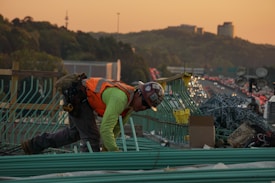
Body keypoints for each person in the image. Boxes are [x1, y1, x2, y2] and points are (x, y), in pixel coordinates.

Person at [21, 73, 165, 154]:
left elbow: (115, 130)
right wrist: (115, 153)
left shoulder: (129, 106)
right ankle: (87, 170)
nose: (144, 108)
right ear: (139, 93)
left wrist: (107, 150)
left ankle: (34, 145)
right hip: (78, 96)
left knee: (75, 133)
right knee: (92, 137)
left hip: (81, 97)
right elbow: (105, 129)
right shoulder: (121, 99)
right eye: (145, 104)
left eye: (148, 107)